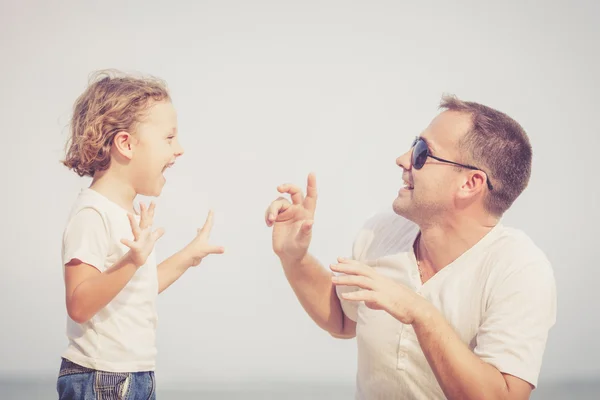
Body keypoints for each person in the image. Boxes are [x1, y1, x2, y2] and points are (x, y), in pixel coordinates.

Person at [264, 95, 556, 399]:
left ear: (470, 184)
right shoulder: (380, 232)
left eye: (422, 152)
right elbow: (342, 318)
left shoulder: (520, 270)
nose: (403, 159)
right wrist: (294, 257)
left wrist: (420, 313)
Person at [57, 70, 224, 399]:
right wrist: (133, 260)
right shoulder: (93, 214)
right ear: (126, 143)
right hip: (102, 375)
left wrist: (187, 257)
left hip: (130, 375)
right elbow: (78, 304)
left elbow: (137, 290)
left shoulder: (124, 214)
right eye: (169, 138)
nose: (180, 149)